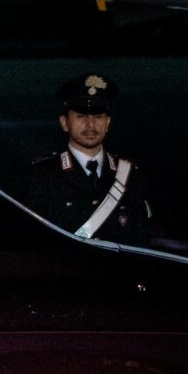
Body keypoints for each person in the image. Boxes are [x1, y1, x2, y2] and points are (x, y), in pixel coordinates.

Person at [25, 72, 153, 246]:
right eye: (81, 117)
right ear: (64, 123)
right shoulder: (43, 175)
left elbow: (142, 237)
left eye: (98, 117)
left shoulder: (131, 175)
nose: (90, 125)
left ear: (107, 123)